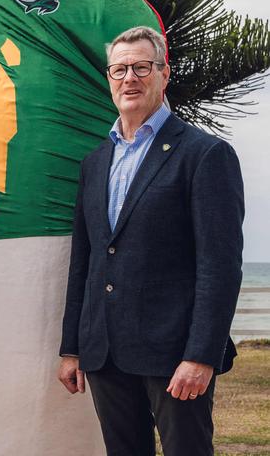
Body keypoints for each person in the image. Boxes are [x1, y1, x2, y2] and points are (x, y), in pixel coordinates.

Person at [57, 26, 244, 456]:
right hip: (105, 353)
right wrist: (72, 347)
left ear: (164, 73)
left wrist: (201, 356)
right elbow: (83, 262)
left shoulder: (205, 154)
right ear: (108, 78)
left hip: (174, 354)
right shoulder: (94, 162)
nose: (130, 78)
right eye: (119, 69)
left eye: (142, 67)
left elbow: (219, 266)